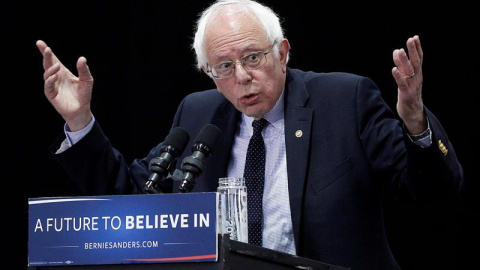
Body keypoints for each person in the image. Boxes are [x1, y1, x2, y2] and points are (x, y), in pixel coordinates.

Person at [36, 0, 464, 269]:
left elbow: (431, 189)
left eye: (253, 57)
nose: (241, 77)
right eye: (223, 67)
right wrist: (79, 121)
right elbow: (136, 199)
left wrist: (414, 122)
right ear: (209, 73)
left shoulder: (344, 99)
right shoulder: (199, 112)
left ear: (282, 52)